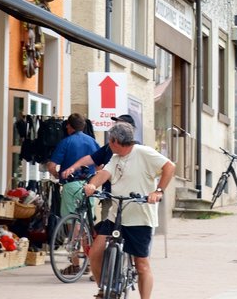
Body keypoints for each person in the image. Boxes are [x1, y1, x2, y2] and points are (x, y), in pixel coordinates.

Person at [81, 122, 174, 299]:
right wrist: (92, 184)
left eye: (110, 140)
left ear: (116, 140)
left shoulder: (143, 152)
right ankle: (104, 290)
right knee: (95, 253)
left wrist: (158, 191)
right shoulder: (115, 158)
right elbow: (104, 174)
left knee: (141, 264)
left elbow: (169, 166)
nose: (108, 143)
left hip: (139, 217)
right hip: (116, 215)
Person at [48, 114, 100, 216]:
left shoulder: (66, 142)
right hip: (89, 185)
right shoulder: (92, 141)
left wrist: (56, 175)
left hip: (71, 184)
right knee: (87, 218)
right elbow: (100, 165)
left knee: (71, 219)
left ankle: (75, 232)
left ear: (69, 126)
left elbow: (51, 166)